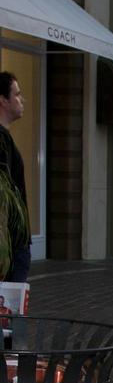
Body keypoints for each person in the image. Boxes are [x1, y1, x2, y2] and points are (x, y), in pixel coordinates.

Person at [0, 72, 30, 283]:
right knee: (10, 313)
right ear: (3, 100)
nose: (22, 100)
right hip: (11, 245)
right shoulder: (1, 143)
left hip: (15, 244)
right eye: (17, 94)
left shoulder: (6, 139)